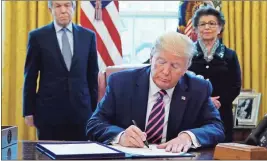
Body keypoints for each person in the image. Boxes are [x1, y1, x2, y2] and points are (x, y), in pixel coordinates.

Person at [86, 32, 225, 153]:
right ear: (151, 57)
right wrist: (120, 136)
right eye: (161, 62)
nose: (165, 71)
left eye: (175, 66)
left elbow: (216, 128)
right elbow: (94, 124)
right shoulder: (121, 83)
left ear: (186, 67)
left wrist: (188, 137)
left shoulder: (198, 88)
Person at [23, 1, 99, 141]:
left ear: (74, 8)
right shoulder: (37, 37)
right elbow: (30, 77)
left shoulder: (88, 36)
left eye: (67, 5)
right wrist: (28, 111)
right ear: (50, 9)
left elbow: (92, 77)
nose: (63, 10)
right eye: (58, 6)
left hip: (81, 113)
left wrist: (95, 111)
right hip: (48, 114)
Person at [188, 6, 242, 142]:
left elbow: (235, 85)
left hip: (222, 112)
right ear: (195, 28)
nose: (207, 27)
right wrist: (205, 100)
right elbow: (182, 81)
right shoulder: (187, 54)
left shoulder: (230, 55)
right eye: (202, 24)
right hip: (193, 110)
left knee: (223, 150)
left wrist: (218, 102)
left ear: (220, 28)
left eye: (212, 23)